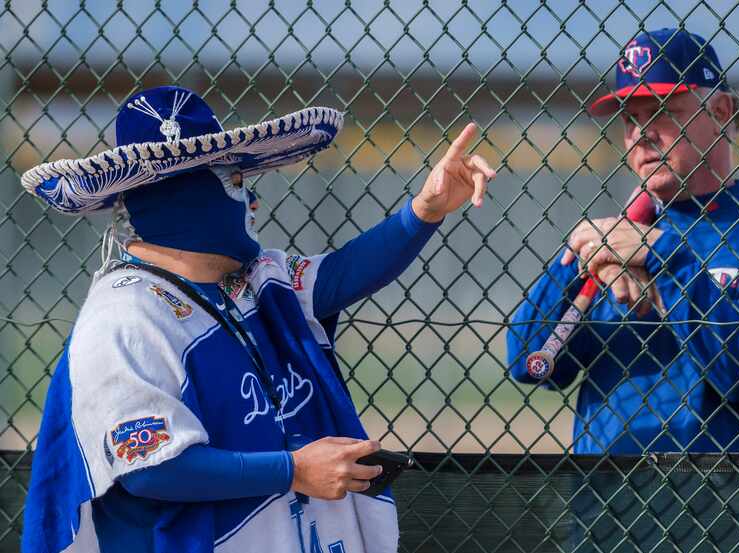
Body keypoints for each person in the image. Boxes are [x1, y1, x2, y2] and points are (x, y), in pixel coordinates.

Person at [21, 86, 496, 553]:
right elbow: (148, 468)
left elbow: (343, 274)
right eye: (235, 182)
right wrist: (293, 470)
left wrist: (425, 211)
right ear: (185, 196)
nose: (251, 203)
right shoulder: (125, 315)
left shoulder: (253, 280)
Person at [507, 28, 739, 455]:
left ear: (720, 111)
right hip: (607, 511)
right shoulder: (614, 241)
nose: (642, 133)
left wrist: (660, 257)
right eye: (630, 119)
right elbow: (531, 365)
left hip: (735, 511)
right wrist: (575, 262)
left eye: (661, 111)